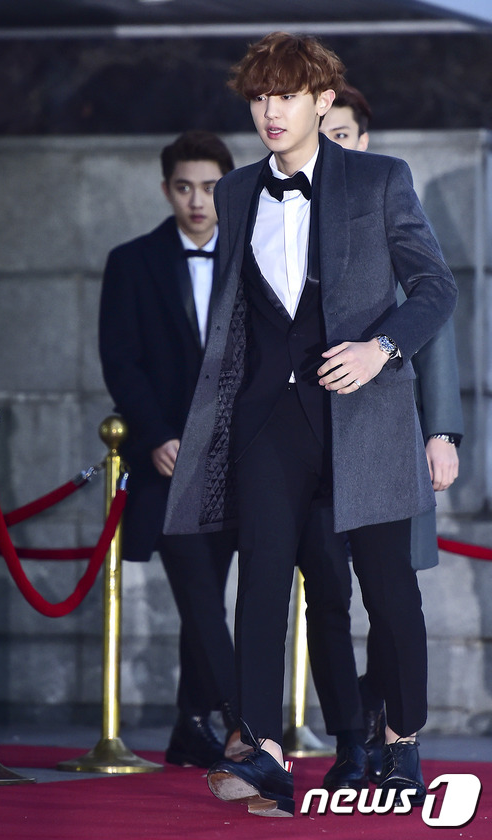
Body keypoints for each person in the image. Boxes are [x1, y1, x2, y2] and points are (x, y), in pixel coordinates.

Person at [164, 33, 458, 818]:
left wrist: (381, 348)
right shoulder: (236, 193)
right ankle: (263, 747)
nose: (271, 110)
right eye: (260, 96)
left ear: (322, 101)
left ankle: (401, 740)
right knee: (262, 579)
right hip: (270, 416)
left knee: (387, 591)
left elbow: (436, 288)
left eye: (287, 95)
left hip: (366, 410)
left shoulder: (380, 178)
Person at [292, 85, 464, 792]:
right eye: (322, 133)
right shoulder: (285, 206)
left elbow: (435, 322)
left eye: (343, 133)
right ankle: (350, 739)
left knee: (392, 593)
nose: (332, 144)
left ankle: (400, 738)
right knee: (327, 597)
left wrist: (442, 430)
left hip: (389, 427)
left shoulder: (391, 197)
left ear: (363, 139)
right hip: (310, 432)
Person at [98, 130, 240, 769]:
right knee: (200, 593)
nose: (197, 201)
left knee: (209, 591)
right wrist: (156, 435)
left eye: (209, 188)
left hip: (236, 459)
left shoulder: (253, 258)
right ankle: (244, 720)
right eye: (184, 187)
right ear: (166, 190)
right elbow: (120, 362)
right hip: (168, 460)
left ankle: (190, 725)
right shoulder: (132, 262)